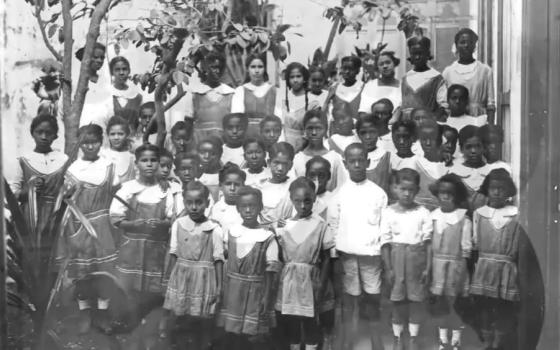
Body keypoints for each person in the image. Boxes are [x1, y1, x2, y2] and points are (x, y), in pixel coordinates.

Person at [58, 124, 120, 334]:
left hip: (103, 225)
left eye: (94, 140)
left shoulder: (109, 166)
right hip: (79, 225)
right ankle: (85, 314)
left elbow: (117, 194)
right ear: (79, 143)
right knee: (83, 274)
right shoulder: (73, 169)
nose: (90, 145)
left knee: (104, 274)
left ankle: (102, 314)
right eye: (85, 142)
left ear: (101, 140)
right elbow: (66, 202)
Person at [327, 143, 387, 350]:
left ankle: (376, 340)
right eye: (352, 161)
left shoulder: (378, 193)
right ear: (345, 164)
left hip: (371, 255)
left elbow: (383, 226)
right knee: (349, 300)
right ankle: (348, 339)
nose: (357, 164)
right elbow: (333, 228)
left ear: (368, 162)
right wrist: (335, 257)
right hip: (347, 256)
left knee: (372, 298)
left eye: (361, 160)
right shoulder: (339, 194)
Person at [160, 181, 224, 349]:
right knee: (180, 316)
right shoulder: (178, 224)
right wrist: (168, 280)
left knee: (201, 319)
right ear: (184, 203)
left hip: (203, 280)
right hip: (181, 277)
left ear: (207, 203)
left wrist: (219, 287)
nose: (194, 207)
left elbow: (218, 259)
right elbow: (173, 253)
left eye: (199, 202)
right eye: (189, 203)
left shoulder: (214, 229)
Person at [217, 186, 281, 350]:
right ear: (238, 209)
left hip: (255, 292)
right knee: (232, 334)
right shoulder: (231, 232)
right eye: (244, 206)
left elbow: (271, 272)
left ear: (260, 207)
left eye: (252, 206)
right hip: (233, 291)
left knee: (252, 335)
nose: (248, 210)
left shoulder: (267, 236)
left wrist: (266, 297)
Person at [275, 177, 333, 350]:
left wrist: (321, 283)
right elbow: (280, 255)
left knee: (310, 320)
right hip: (289, 281)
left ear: (314, 199)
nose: (302, 206)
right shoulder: (285, 225)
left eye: (307, 201)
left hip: (311, 280)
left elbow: (327, 257)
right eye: (297, 201)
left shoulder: (321, 225)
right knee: (292, 320)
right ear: (291, 200)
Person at [110, 144, 174, 300]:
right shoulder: (128, 188)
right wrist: (133, 225)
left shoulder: (166, 190)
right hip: (131, 248)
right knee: (127, 291)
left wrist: (161, 224)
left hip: (156, 248)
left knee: (151, 292)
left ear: (159, 163)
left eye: (153, 160)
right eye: (144, 160)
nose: (149, 164)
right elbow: (115, 219)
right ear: (136, 163)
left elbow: (172, 218)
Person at [471, 169, 524, 349]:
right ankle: (487, 340)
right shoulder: (479, 214)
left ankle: (500, 341)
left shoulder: (516, 214)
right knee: (486, 305)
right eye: (493, 188)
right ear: (487, 190)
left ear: (508, 191)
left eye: (502, 188)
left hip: (507, 267)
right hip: (485, 266)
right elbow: (475, 244)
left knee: (504, 306)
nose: (497, 192)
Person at [381, 168, 433, 350]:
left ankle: (413, 338)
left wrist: (427, 268)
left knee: (415, 301)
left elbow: (428, 244)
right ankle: (397, 337)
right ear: (395, 188)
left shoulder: (423, 212)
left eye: (411, 190)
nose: (406, 193)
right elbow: (385, 243)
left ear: (417, 190)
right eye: (403, 189)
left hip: (416, 260)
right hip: (396, 259)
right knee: (397, 301)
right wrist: (388, 268)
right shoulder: (388, 212)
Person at [429, 174, 472, 350]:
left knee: (456, 304)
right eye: (442, 193)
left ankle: (456, 340)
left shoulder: (463, 218)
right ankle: (442, 339)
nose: (445, 197)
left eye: (450, 193)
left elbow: (466, 249)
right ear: (437, 194)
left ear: (457, 196)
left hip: (456, 266)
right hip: (437, 266)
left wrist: (462, 271)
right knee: (440, 304)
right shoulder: (433, 216)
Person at [10, 114, 68, 237]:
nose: (44, 137)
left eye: (49, 133)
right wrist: (28, 191)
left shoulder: (63, 160)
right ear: (32, 133)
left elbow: (70, 188)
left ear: (55, 135)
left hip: (56, 216)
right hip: (30, 216)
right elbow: (12, 193)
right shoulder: (24, 160)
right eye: (39, 132)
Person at [442, 28, 496, 123]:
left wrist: (490, 128)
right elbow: (445, 105)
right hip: (456, 122)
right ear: (456, 46)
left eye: (470, 42)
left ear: (474, 45)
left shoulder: (485, 70)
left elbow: (490, 105)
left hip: (479, 120)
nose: (466, 45)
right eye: (462, 42)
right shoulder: (448, 72)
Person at [181, 52, 235, 141]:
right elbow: (188, 122)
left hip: (223, 142)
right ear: (206, 68)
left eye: (220, 68)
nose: (217, 71)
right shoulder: (195, 93)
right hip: (199, 142)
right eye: (213, 67)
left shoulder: (230, 93)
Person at [82, 56, 143, 130]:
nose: (121, 73)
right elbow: (99, 120)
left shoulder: (137, 96)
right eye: (117, 70)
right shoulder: (105, 93)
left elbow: (141, 122)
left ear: (129, 71)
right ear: (112, 72)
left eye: (124, 69)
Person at [293, 110, 347, 192]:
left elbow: (341, 188)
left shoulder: (335, 158)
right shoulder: (297, 159)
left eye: (318, 128)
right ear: (304, 129)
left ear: (325, 129)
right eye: (310, 128)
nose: (314, 132)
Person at [231, 53, 281, 137]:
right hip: (247, 137)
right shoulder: (240, 91)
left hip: (269, 136)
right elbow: (237, 118)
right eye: (253, 67)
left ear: (265, 68)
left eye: (260, 67)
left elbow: (279, 119)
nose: (257, 71)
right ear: (247, 69)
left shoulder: (274, 91)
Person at [401, 36, 447, 121]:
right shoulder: (405, 78)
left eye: (420, 53)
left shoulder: (436, 78)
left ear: (428, 54)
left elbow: (443, 107)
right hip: (407, 127)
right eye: (414, 54)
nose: (417, 57)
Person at [449, 125, 492, 211]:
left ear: (484, 147)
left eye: (477, 146)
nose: (473, 151)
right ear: (461, 149)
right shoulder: (454, 173)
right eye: (468, 147)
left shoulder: (491, 172)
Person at [415, 119, 449, 211]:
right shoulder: (414, 164)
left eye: (433, 139)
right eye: (424, 139)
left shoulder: (449, 166)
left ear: (440, 140)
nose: (428, 143)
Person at [259, 142, 295, 226]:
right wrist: (274, 225)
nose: (280, 168)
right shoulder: (260, 188)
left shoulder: (295, 187)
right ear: (269, 163)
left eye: (285, 164)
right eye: (276, 163)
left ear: (291, 165)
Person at [359, 51, 402, 118]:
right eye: (381, 64)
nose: (385, 66)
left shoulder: (402, 86)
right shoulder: (370, 86)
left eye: (388, 62)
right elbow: (363, 113)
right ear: (377, 67)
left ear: (394, 63)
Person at [356, 114, 391, 193]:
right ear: (358, 134)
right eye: (363, 133)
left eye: (372, 132)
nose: (368, 137)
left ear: (378, 132)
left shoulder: (387, 157)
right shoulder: (353, 157)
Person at [282, 62, 314, 151]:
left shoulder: (312, 100)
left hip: (304, 147)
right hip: (282, 144)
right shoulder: (282, 98)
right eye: (292, 77)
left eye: (298, 76)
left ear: (304, 78)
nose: (295, 80)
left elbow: (312, 129)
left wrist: (298, 148)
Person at [323, 56, 365, 121]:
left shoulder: (363, 87)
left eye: (351, 69)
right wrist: (328, 98)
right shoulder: (335, 88)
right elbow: (327, 112)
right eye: (344, 68)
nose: (347, 71)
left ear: (358, 70)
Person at [208, 163, 245, 232]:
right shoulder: (216, 209)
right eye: (228, 184)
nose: (232, 188)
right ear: (220, 186)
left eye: (237, 184)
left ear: (243, 186)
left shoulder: (248, 208)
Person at [101, 116, 136, 184]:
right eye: (112, 134)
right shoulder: (102, 155)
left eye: (120, 134)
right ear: (108, 135)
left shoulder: (133, 158)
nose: (116, 137)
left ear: (127, 135)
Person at [198, 136, 224, 202]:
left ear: (220, 154)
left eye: (212, 153)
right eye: (202, 153)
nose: (206, 156)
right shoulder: (194, 174)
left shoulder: (225, 176)